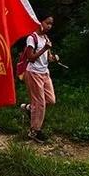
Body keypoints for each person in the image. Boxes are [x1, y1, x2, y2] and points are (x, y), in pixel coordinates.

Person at [20, 14, 57, 144]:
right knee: (40, 103)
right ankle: (34, 131)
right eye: (47, 23)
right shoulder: (32, 38)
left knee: (51, 100)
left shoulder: (46, 38)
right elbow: (30, 58)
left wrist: (54, 58)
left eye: (51, 24)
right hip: (34, 73)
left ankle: (29, 108)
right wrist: (45, 49)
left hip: (45, 73)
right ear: (40, 22)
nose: (49, 26)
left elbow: (48, 58)